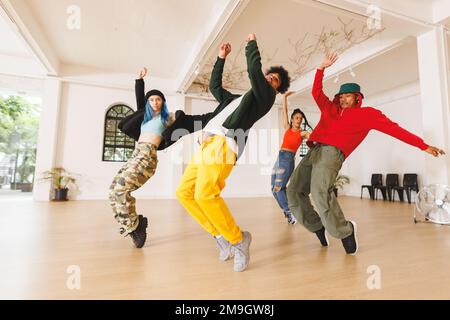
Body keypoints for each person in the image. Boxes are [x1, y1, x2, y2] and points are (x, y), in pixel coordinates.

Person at [287, 52, 445, 255]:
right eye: (341, 96)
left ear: (357, 98)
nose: (343, 99)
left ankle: (346, 231)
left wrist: (422, 145)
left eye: (348, 96)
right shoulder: (329, 108)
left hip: (332, 154)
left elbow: (395, 129)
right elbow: (317, 92)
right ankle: (317, 226)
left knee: (319, 193)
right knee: (293, 191)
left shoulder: (367, 115)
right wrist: (320, 69)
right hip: (314, 151)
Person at [176, 34, 291, 272]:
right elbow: (215, 87)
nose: (271, 78)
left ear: (277, 88)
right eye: (271, 75)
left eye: (275, 79)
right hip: (207, 145)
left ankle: (238, 240)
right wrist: (221, 58)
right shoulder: (234, 100)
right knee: (185, 193)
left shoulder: (264, 97)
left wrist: (251, 44)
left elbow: (253, 70)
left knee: (206, 194)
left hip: (225, 144)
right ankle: (220, 236)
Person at [109, 67, 175, 248]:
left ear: (163, 102)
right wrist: (139, 80)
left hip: (147, 156)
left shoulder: (167, 118)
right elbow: (140, 98)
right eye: (151, 99)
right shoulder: (144, 118)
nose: (155, 102)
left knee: (121, 190)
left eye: (158, 99)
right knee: (113, 190)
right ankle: (133, 226)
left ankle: (136, 226)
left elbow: (189, 123)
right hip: (136, 153)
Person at [271, 91, 310, 225]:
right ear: (292, 119)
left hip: (288, 159)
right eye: (296, 117)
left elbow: (313, 138)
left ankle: (290, 212)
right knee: (273, 188)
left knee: (279, 188)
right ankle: (288, 211)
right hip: (279, 157)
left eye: (300, 118)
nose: (298, 120)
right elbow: (284, 113)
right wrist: (285, 97)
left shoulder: (303, 133)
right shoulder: (287, 128)